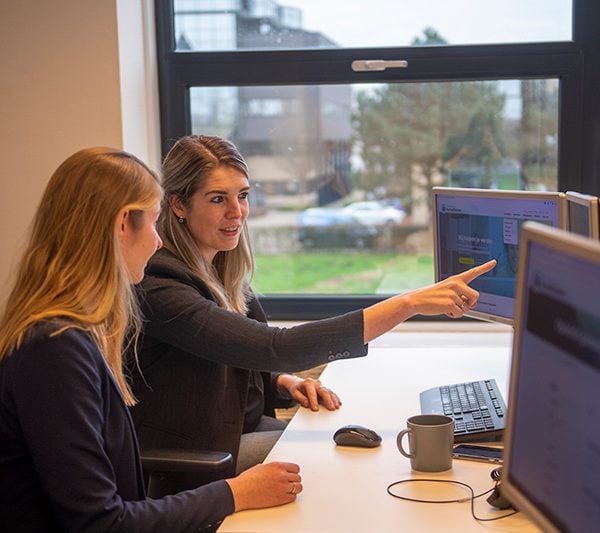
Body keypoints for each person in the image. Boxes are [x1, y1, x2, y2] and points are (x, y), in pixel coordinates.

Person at [130, 135, 496, 475]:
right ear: (177, 204)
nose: (237, 212)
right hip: (199, 455)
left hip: (235, 430)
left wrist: (283, 382)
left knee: (343, 441)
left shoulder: (219, 270)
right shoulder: (161, 286)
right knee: (339, 459)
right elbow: (273, 346)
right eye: (217, 199)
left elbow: (224, 353)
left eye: (242, 195)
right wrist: (408, 303)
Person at [0, 147, 303, 532]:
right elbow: (102, 523)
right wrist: (235, 493)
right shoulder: (54, 350)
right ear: (124, 223)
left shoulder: (72, 334)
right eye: (155, 224)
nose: (160, 242)